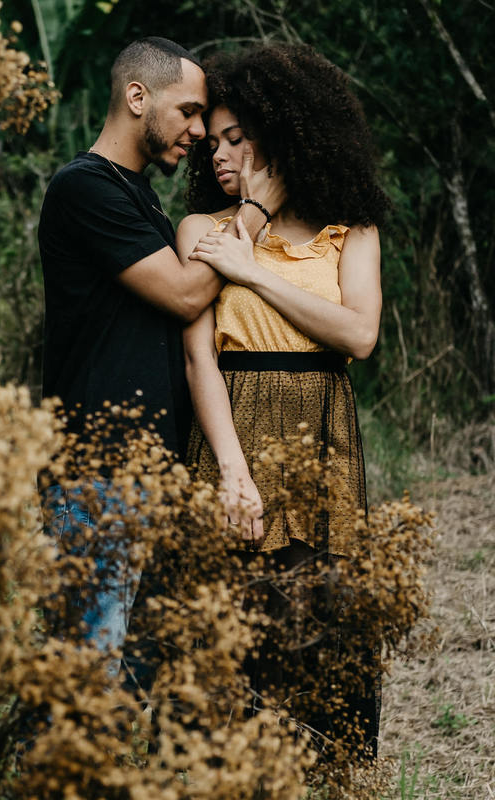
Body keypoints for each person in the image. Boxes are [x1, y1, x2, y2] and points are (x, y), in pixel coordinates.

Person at [36, 36, 282, 676]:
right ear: (137, 96)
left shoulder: (137, 193)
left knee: (136, 674)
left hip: (145, 471)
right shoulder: (83, 188)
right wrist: (256, 211)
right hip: (97, 472)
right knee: (87, 676)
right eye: (190, 112)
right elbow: (183, 293)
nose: (199, 132)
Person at [178, 43, 389, 759]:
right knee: (233, 618)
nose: (219, 156)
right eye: (213, 143)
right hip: (232, 424)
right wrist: (232, 470)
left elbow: (359, 334)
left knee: (321, 610)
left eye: (238, 139)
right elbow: (198, 355)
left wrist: (255, 272)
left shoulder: (350, 230)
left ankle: (329, 766)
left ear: (286, 132)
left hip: (320, 423)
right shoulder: (200, 231)